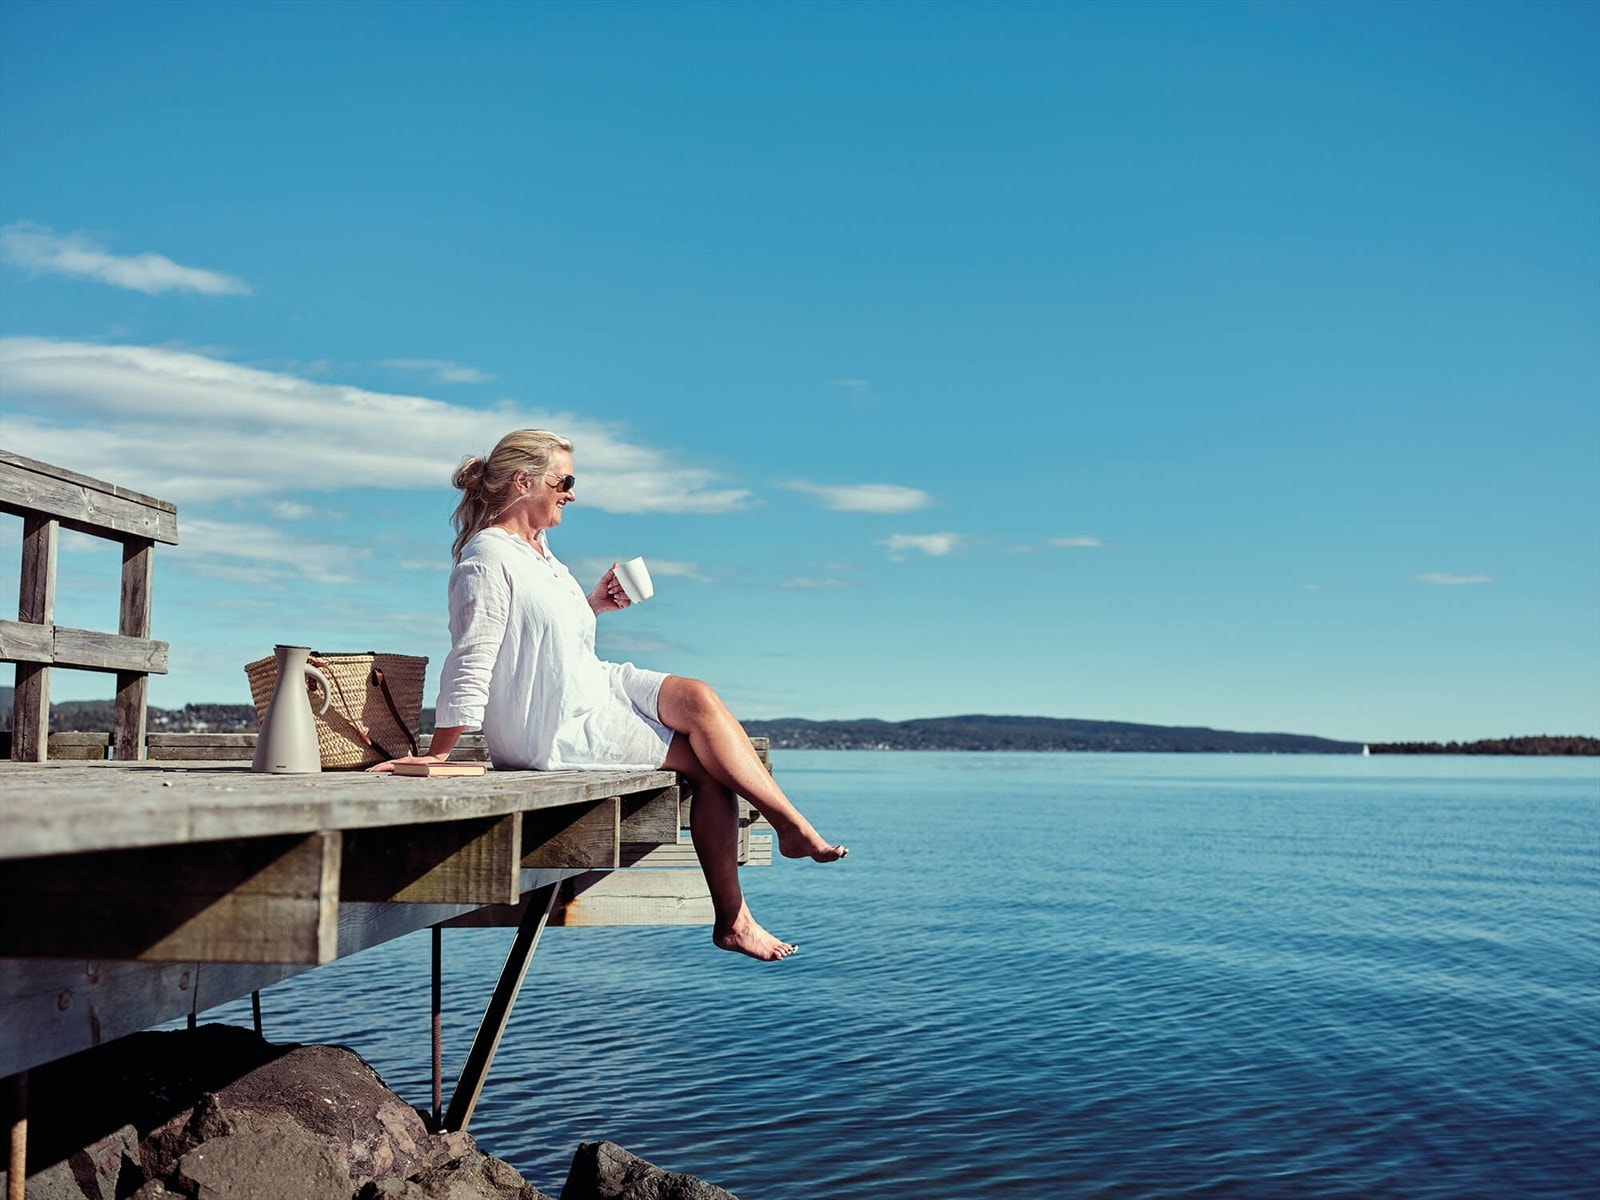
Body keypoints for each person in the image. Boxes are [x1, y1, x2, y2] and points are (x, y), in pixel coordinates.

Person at [369, 429, 847, 961]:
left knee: (697, 696)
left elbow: (547, 634)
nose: (572, 493)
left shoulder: (540, 552)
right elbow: (472, 656)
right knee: (712, 768)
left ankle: (787, 826)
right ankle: (739, 911)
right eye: (564, 481)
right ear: (525, 482)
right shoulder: (486, 559)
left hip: (592, 685)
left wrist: (592, 605)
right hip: (552, 722)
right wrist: (439, 752)